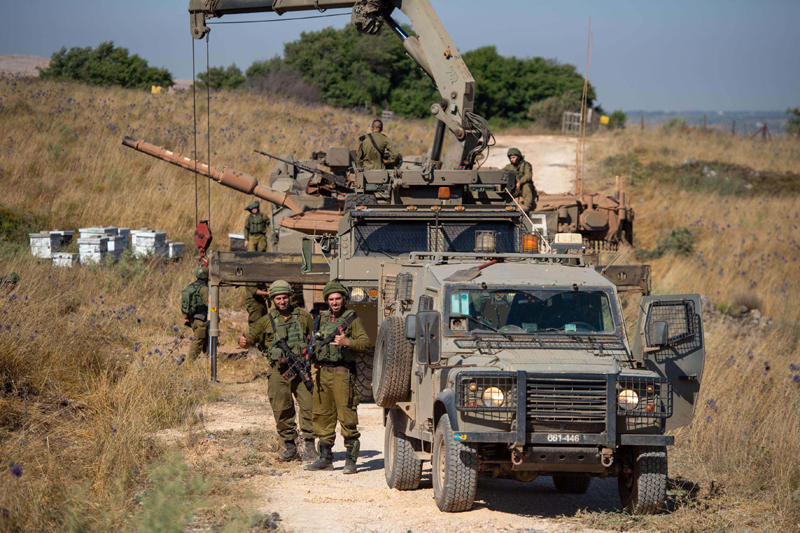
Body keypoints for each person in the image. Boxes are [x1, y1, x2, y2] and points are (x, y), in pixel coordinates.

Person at [238, 280, 317, 463]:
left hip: (301, 371)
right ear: (273, 299)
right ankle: (290, 447)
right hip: (278, 372)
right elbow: (250, 338)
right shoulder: (265, 321)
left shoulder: (304, 318)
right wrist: (245, 342)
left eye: (285, 298)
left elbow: (314, 341)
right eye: (278, 298)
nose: (282, 302)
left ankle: (310, 447)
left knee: (309, 407)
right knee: (282, 409)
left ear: (290, 297)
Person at [304, 281, 371, 474]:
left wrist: (347, 341)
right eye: (331, 299)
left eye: (338, 298)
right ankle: (325, 458)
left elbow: (366, 344)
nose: (335, 302)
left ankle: (350, 460)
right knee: (322, 416)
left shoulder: (352, 319)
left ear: (344, 299)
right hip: (322, 374)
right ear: (326, 300)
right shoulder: (321, 319)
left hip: (343, 374)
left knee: (347, 416)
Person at [181, 267, 209, 360]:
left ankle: (210, 359)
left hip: (192, 319)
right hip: (200, 319)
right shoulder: (204, 288)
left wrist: (187, 318)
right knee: (198, 341)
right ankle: (190, 363)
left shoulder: (190, 287)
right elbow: (209, 304)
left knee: (206, 339)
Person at [503, 148, 537, 212]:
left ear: (518, 157)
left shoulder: (526, 165)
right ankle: (508, 205)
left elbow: (528, 175)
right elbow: (501, 173)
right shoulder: (508, 166)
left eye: (513, 157)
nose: (512, 159)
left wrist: (520, 182)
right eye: (510, 158)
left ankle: (527, 205)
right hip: (513, 189)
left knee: (526, 185)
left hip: (524, 189)